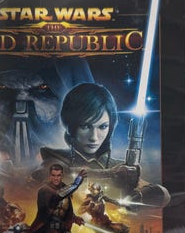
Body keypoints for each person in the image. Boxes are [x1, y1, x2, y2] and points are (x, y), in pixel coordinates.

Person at [32, 82, 170, 208]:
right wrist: (109, 174)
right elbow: (49, 176)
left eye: (102, 126)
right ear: (71, 127)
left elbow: (164, 196)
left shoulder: (119, 168)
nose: (94, 137)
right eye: (85, 126)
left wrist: (139, 195)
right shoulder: (56, 160)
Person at [26, 164, 93, 233]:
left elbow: (66, 209)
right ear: (50, 176)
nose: (56, 178)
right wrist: (76, 183)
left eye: (58, 175)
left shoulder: (65, 188)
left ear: (62, 176)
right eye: (53, 175)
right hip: (46, 230)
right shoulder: (45, 190)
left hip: (62, 231)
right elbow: (57, 196)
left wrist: (74, 218)